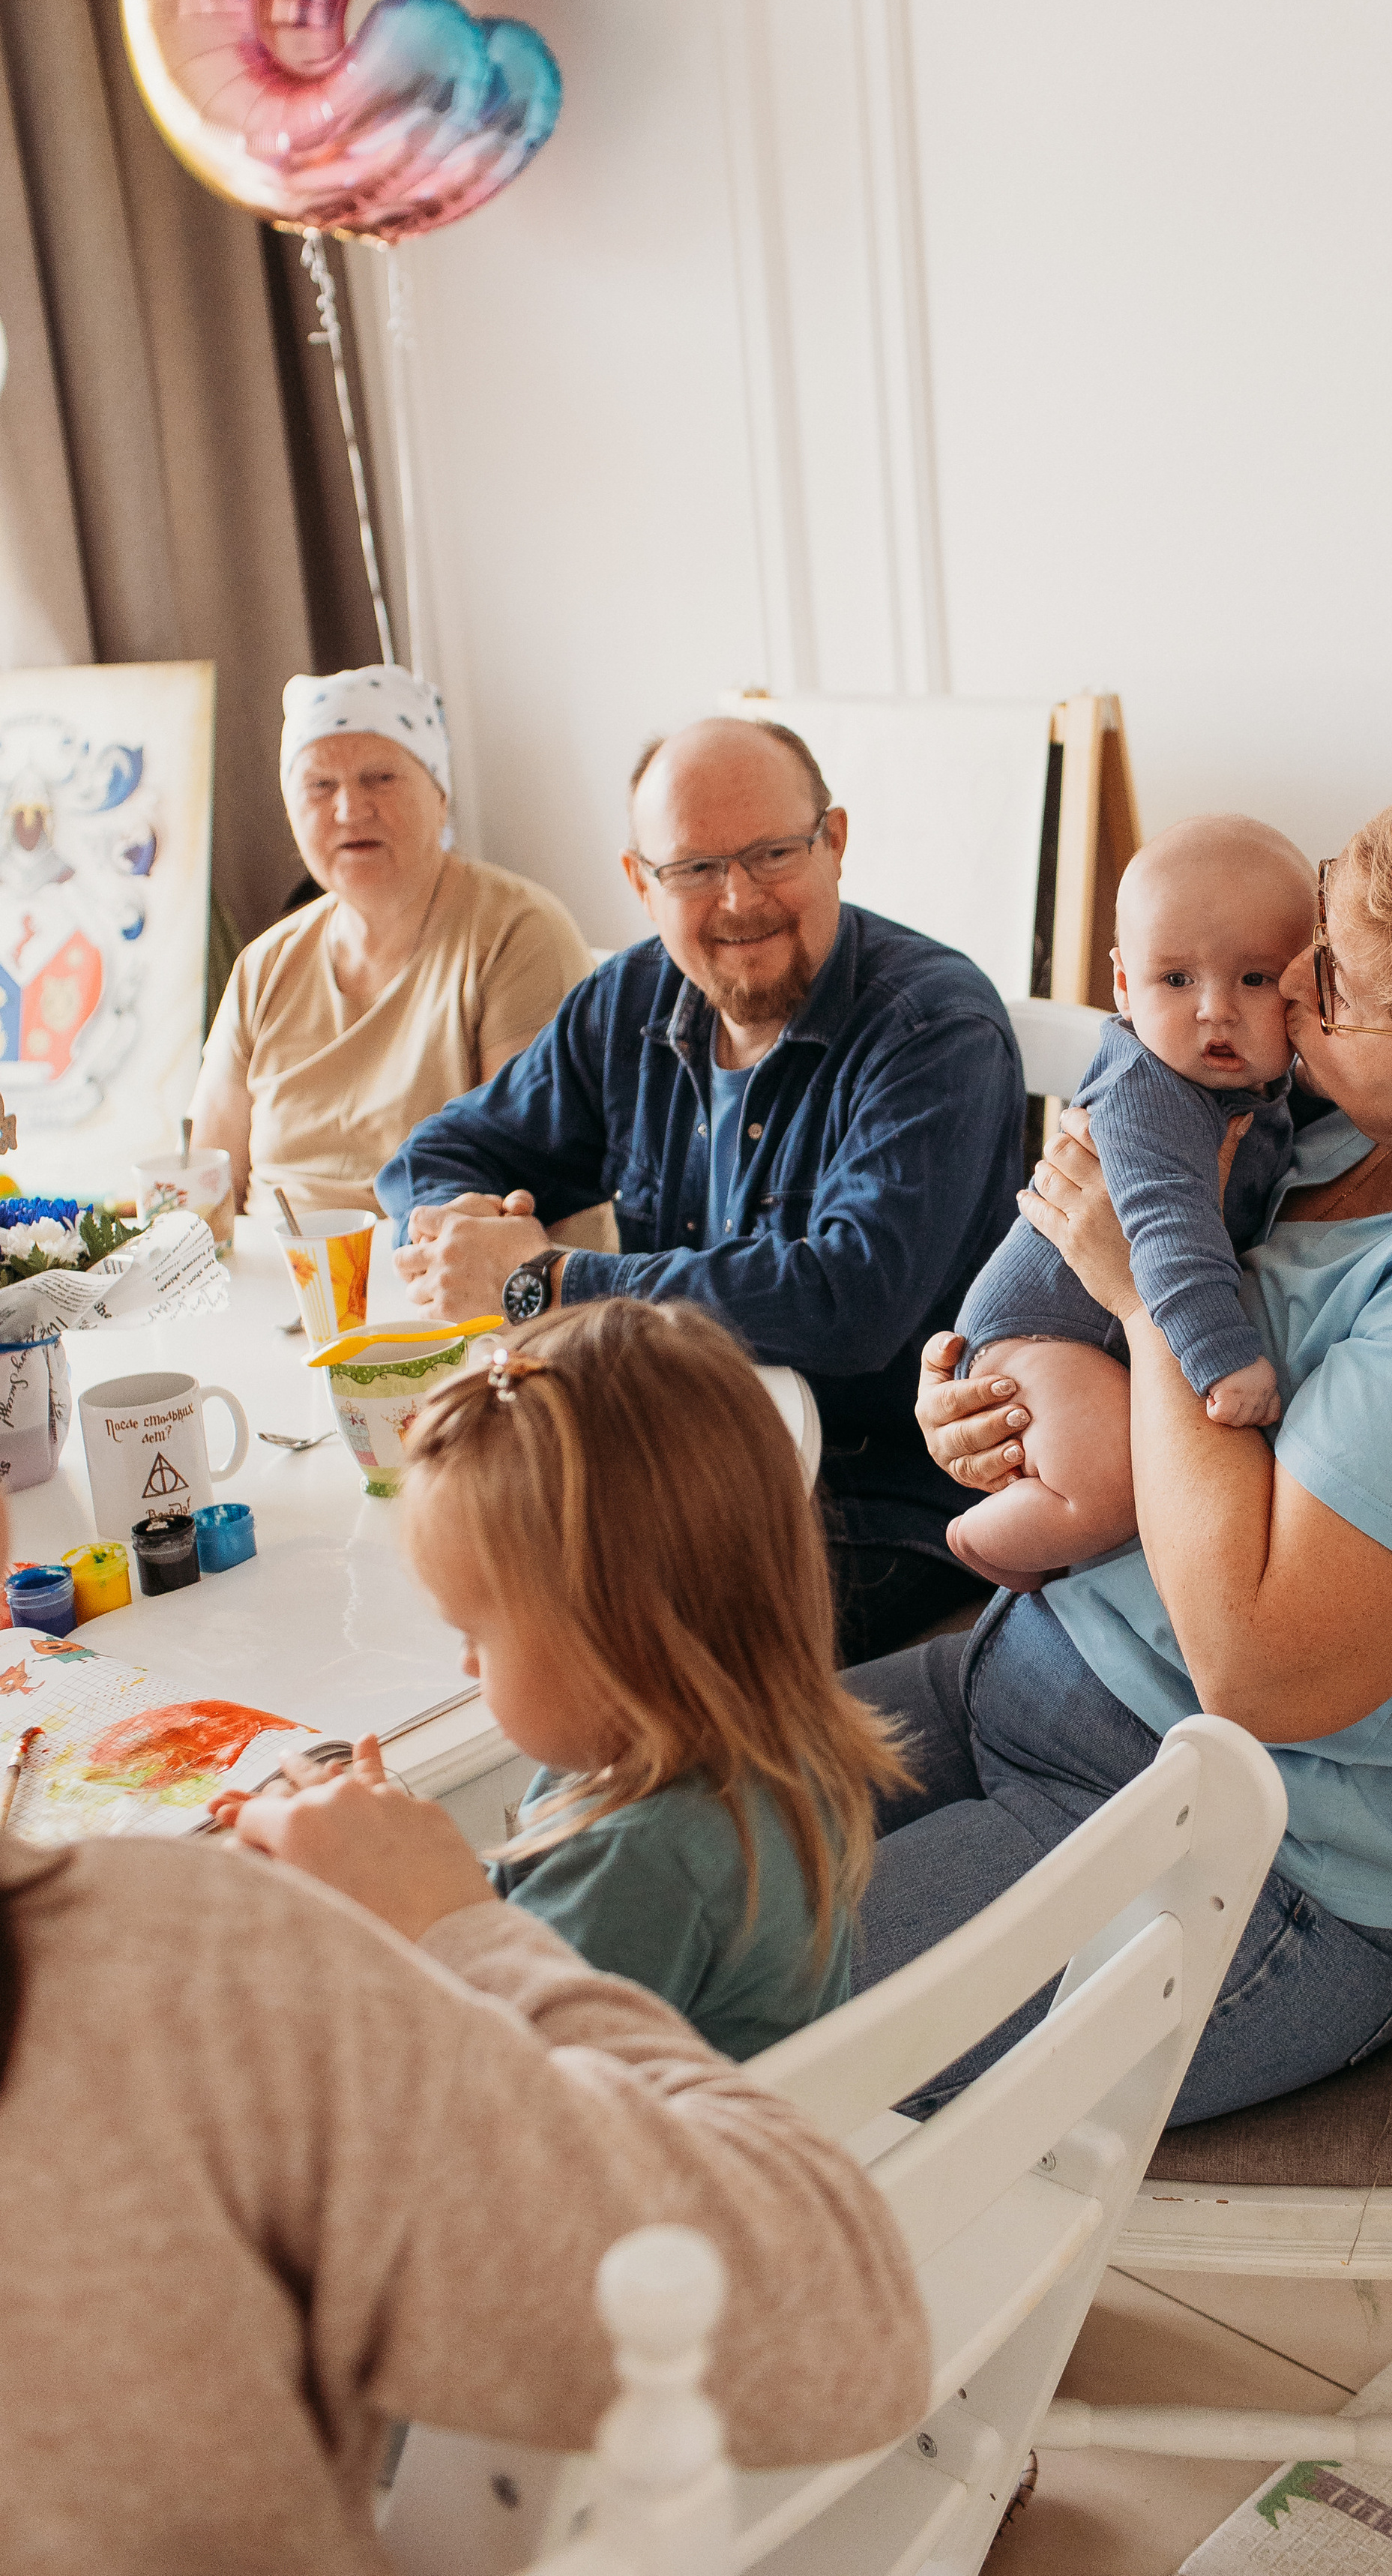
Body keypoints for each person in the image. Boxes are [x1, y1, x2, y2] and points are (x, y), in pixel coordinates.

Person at [861, 774, 1392, 2126]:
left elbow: (1259, 1666)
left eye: (1335, 983)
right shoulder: (1347, 1111)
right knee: (621, 1831)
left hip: (1264, 1849)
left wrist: (1142, 1303)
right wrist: (999, 1396)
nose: (1289, 984)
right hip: (1039, 1669)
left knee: (714, 2005)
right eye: (1326, 924)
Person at [0, 1523, 929, 2572]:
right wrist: (423, 1914)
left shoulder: (634, 1849)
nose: (461, 1666)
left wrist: (415, 1918)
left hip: (608, 2315)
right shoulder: (734, 1762)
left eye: (476, 1634)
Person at [377, 716, 1025, 1664]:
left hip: (876, 1497)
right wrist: (462, 1233)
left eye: (773, 854)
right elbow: (438, 1153)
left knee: (577, 1641)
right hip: (669, 1463)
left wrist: (545, 1281)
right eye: (693, 868)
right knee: (433, 1571)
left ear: (834, 843)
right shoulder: (631, 998)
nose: (739, 898)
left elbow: (849, 1302)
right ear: (641, 883)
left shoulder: (933, 1026)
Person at [385, 1296, 909, 2056]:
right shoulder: (771, 1744)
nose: (465, 1665)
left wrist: (395, 1924)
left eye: (476, 1636)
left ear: (612, 1640)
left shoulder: (637, 1865)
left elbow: (491, 2083)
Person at [949, 816, 1315, 1587]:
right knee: (1110, 1487)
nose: (1215, 1010)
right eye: (1176, 980)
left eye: (1255, 980)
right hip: (1045, 1333)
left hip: (1101, 1330)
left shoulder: (1261, 1081)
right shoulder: (1147, 1096)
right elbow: (1170, 1238)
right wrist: (1224, 1360)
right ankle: (978, 1544)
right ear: (1123, 984)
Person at [192, 667, 603, 1226]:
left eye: (380, 778)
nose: (349, 810)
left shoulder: (518, 933)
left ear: (440, 796)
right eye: (319, 786)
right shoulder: (265, 965)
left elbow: (525, 1184)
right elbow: (206, 1186)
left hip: (435, 1263)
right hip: (274, 1267)